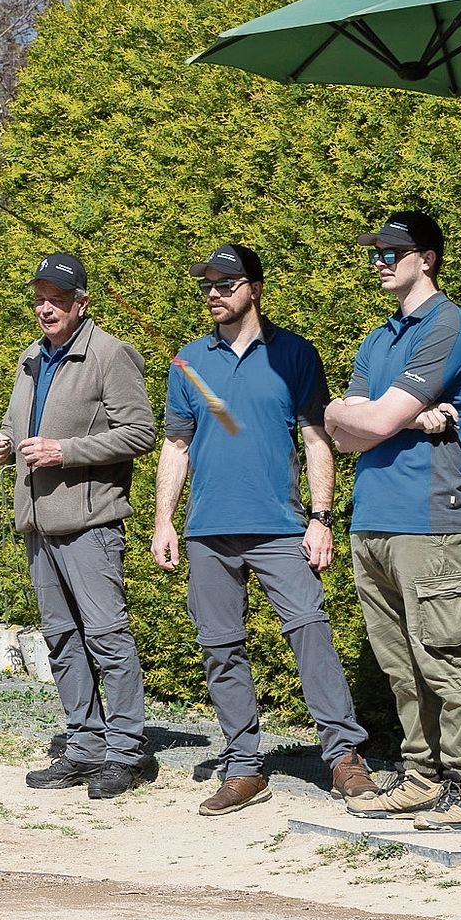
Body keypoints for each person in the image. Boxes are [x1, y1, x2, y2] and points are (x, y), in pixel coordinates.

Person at [150, 243, 377, 815]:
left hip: (280, 528)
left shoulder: (296, 355)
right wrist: (163, 521)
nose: (214, 292)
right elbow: (175, 444)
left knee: (311, 633)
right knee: (220, 648)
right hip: (207, 532)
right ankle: (244, 766)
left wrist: (321, 518)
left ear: (254, 288)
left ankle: (344, 756)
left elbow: (317, 436)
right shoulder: (187, 362)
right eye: (208, 283)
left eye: (226, 283)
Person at [322, 209, 461, 831]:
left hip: (429, 520)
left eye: (395, 252)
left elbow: (372, 423)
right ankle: (421, 775)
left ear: (428, 258)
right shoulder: (378, 338)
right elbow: (344, 438)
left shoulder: (446, 328)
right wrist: (363, 414)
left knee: (446, 653)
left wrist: (364, 415)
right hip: (372, 518)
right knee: (400, 663)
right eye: (377, 252)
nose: (382, 262)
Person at [0, 253, 157, 801]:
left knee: (106, 637)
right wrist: (4, 444)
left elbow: (140, 433)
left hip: (89, 524)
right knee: (61, 640)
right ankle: (84, 748)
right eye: (39, 299)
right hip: (38, 522)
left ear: (82, 303)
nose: (45, 308)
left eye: (57, 300)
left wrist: (67, 451)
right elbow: (21, 425)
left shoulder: (110, 354)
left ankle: (126, 752)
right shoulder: (30, 358)